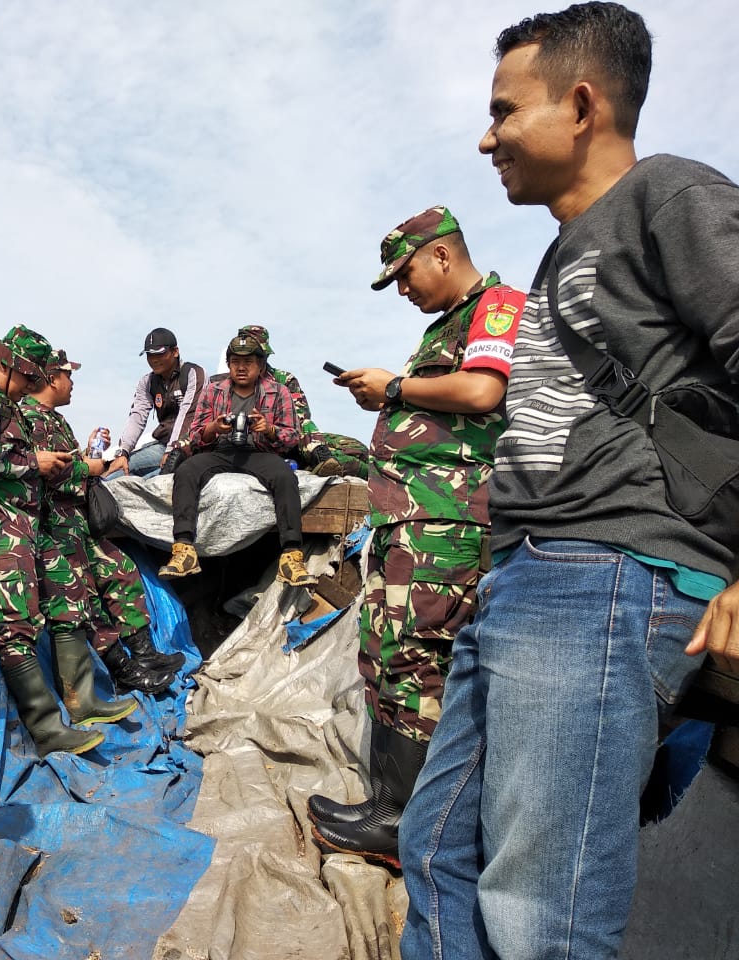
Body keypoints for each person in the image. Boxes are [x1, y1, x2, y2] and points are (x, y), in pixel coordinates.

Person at [397, 5, 739, 958]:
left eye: (505, 111)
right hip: (529, 574)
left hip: (609, 573)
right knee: (435, 849)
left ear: (582, 106)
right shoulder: (563, 253)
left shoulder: (669, 195)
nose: (488, 138)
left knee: (540, 914)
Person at [309, 206, 524, 869]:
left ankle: (411, 825)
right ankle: (388, 805)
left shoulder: (497, 306)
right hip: (406, 519)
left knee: (419, 657)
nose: (403, 289)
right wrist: (390, 398)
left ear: (441, 254)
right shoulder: (444, 328)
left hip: (447, 521)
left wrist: (397, 386)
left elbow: (484, 390)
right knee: (385, 649)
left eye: (405, 275)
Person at [0, 326, 133, 756]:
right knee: (14, 625)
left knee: (66, 598)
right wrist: (35, 462)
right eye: (29, 377)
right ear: (9, 366)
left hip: (24, 525)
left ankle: (82, 701)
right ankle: (47, 729)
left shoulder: (3, 402)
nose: (31, 386)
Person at [20, 350, 182, 696]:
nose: (72, 382)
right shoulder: (29, 420)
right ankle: (122, 670)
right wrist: (89, 468)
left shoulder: (54, 421)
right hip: (54, 527)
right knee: (83, 596)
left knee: (120, 568)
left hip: (76, 523)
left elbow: (66, 464)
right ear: (52, 379)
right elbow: (46, 474)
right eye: (68, 375)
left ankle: (144, 654)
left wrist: (90, 454)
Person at [157, 332, 315, 588]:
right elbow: (195, 435)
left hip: (260, 452)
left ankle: (291, 555)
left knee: (285, 476)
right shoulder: (213, 390)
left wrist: (269, 430)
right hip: (221, 450)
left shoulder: (279, 391)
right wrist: (214, 429)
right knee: (186, 471)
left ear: (260, 366)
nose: (241, 368)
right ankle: (184, 548)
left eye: (248, 362)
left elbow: (292, 437)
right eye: (235, 362)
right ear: (229, 364)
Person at [235, 324, 368, 478]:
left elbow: (300, 417)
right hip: (260, 444)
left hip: (291, 439)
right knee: (352, 464)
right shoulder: (226, 384)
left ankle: (322, 460)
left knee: (358, 449)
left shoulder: (283, 379)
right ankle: (322, 462)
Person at [105, 327, 205, 478]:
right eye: (150, 355)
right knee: (116, 472)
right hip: (163, 445)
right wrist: (123, 452)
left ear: (175, 352)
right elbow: (137, 416)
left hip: (191, 447)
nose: (154, 360)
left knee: (152, 480)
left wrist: (172, 450)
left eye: (160, 354)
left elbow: (188, 414)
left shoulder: (193, 373)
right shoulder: (147, 382)